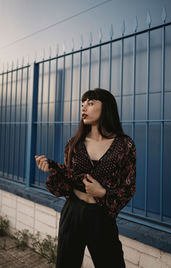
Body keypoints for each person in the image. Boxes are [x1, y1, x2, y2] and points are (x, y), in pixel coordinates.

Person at [35, 88, 136, 268]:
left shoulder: (124, 145)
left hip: (101, 216)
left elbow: (128, 187)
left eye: (90, 103)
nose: (84, 108)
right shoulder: (74, 143)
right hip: (73, 211)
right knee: (67, 263)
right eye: (82, 104)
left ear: (106, 107)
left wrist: (103, 193)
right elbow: (67, 181)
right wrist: (52, 170)